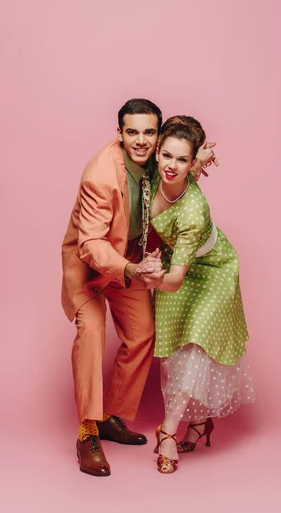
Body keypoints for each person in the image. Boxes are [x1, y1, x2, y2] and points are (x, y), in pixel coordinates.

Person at [61, 99, 217, 477]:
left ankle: (110, 416)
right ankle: (87, 433)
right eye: (132, 132)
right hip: (91, 268)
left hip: (129, 259)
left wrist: (199, 158)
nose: (142, 141)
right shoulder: (99, 175)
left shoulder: (153, 156)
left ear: (158, 135)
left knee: (143, 334)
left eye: (149, 132)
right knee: (93, 333)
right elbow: (91, 244)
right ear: (119, 134)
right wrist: (131, 268)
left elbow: (174, 165)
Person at [138, 117, 255, 474]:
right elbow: (177, 162)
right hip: (176, 262)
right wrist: (198, 155)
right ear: (157, 152)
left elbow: (173, 281)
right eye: (167, 156)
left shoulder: (193, 211)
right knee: (177, 351)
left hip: (212, 270)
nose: (172, 166)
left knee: (198, 343)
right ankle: (200, 422)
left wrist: (150, 277)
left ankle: (168, 433)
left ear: (192, 166)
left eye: (183, 160)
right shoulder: (155, 171)